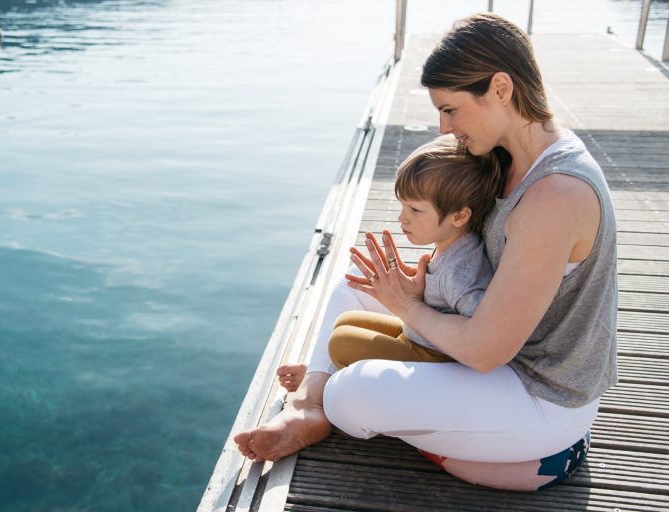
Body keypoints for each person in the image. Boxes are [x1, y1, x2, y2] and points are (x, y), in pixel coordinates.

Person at [235, 12, 617, 491]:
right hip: (494, 345)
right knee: (354, 285)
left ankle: (531, 454)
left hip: (541, 392)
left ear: (501, 88)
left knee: (356, 393)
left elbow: (485, 350)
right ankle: (310, 404)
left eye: (452, 109)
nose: (443, 125)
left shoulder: (556, 193)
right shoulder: (504, 155)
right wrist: (419, 286)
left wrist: (409, 306)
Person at [328, 135, 502, 370]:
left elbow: (481, 329)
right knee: (345, 322)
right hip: (419, 337)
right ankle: (328, 375)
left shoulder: (459, 273)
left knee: (343, 344)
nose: (402, 218)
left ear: (459, 216)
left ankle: (331, 386)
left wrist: (412, 304)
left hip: (434, 356)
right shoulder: (454, 241)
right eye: (402, 206)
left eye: (415, 210)